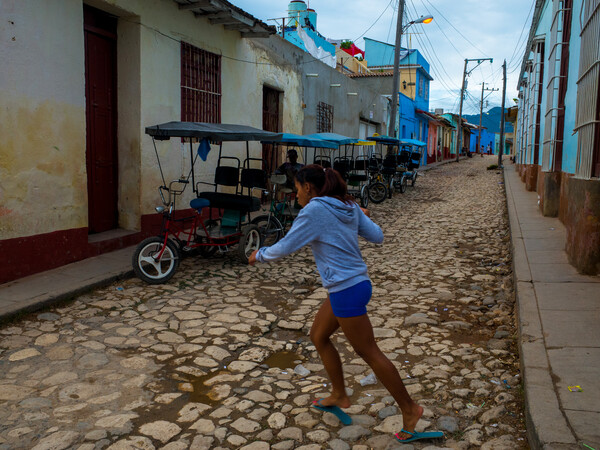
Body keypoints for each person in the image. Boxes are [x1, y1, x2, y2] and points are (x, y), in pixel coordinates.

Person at [248, 165, 435, 443]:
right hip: (351, 286)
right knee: (319, 336)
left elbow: (287, 246)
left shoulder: (314, 210)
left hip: (347, 289)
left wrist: (259, 255)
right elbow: (378, 236)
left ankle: (410, 409)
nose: (295, 194)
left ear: (308, 187)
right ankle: (339, 394)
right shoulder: (346, 205)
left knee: (369, 352)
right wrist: (361, 215)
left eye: (297, 188)